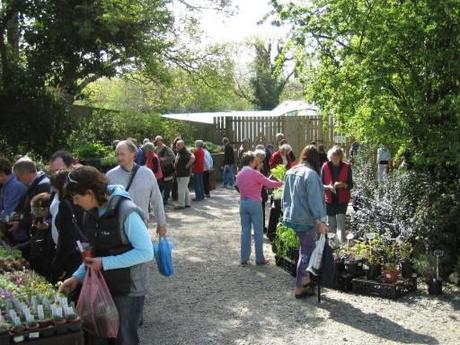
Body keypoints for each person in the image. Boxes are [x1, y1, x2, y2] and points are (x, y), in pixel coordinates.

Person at [60, 166, 158, 345]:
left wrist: (104, 262)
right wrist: (77, 277)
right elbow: (96, 252)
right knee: (101, 335)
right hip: (104, 286)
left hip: (128, 289)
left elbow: (145, 252)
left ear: (89, 193)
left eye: (77, 197)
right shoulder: (91, 213)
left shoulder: (126, 211)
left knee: (124, 338)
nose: (75, 203)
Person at [282, 145, 328, 298]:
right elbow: (315, 201)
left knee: (305, 249)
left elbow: (285, 198)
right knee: (307, 251)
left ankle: (305, 280)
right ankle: (300, 286)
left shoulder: (291, 171)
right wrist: (321, 221)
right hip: (306, 220)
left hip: (293, 217)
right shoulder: (311, 174)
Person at [106, 140, 166, 234]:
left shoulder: (147, 174)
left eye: (122, 154)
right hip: (119, 229)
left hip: (142, 225)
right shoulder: (110, 176)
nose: (119, 157)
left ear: (133, 153)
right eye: (117, 154)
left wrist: (161, 223)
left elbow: (157, 200)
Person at [236, 151, 283, 266]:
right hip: (255, 203)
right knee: (258, 232)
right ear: (252, 161)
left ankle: (244, 258)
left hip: (243, 203)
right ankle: (259, 258)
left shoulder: (240, 173)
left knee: (245, 231)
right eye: (255, 161)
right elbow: (269, 183)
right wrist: (281, 183)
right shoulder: (255, 173)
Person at [49, 170, 84, 284]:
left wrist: (57, 265)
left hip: (70, 256)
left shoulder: (66, 204)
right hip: (80, 252)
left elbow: (65, 238)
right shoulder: (80, 200)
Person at [10, 158, 51, 245]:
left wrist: (19, 223)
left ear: (25, 173)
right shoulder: (33, 184)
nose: (17, 180)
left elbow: (38, 215)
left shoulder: (43, 185)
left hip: (42, 237)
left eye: (18, 177)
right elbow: (21, 206)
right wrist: (14, 218)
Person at [321, 146, 353, 243]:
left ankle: (342, 244)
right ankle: (332, 245)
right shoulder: (325, 166)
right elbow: (320, 184)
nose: (334, 159)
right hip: (329, 199)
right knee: (331, 224)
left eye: (337, 157)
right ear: (329, 156)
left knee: (341, 222)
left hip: (342, 199)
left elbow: (350, 185)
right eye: (332, 156)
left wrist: (342, 184)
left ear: (340, 157)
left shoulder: (347, 167)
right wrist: (328, 187)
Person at [49, 150, 75, 247]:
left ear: (71, 167)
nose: (55, 174)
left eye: (58, 170)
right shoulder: (55, 189)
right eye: (52, 172)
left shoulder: (78, 193)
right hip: (57, 247)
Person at [155, 136, 175, 205]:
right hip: (160, 170)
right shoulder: (156, 148)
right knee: (160, 185)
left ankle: (165, 200)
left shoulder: (166, 148)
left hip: (167, 170)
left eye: (158, 140)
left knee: (167, 185)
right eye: (156, 140)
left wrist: (163, 159)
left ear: (161, 140)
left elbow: (173, 156)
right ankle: (160, 199)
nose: (157, 142)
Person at [174, 140, 194, 210]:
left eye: (178, 145)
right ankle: (187, 203)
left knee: (181, 190)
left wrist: (187, 166)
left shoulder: (185, 151)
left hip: (184, 174)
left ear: (182, 145)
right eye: (177, 144)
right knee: (185, 189)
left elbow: (193, 158)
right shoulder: (180, 151)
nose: (177, 146)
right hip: (180, 174)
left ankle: (181, 204)